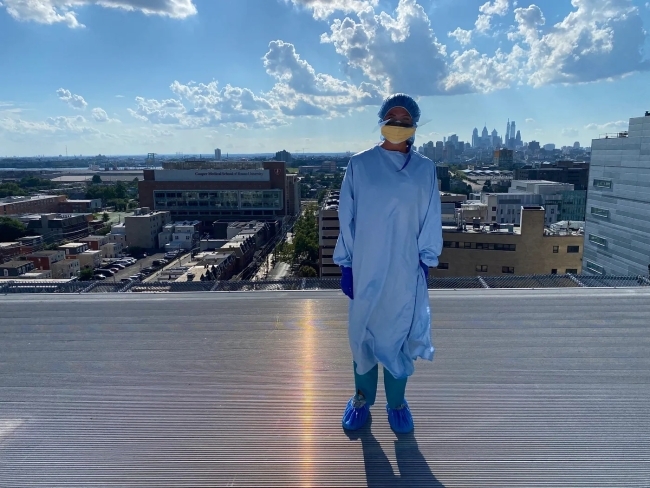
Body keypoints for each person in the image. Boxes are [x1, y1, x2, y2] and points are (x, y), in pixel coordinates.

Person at [333, 93, 443, 434]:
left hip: (404, 271)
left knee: (397, 335)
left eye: (405, 121)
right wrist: (347, 264)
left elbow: (431, 217)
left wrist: (425, 260)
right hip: (366, 265)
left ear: (414, 126)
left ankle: (397, 404)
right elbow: (346, 216)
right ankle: (361, 399)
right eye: (392, 120)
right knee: (362, 336)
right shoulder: (359, 164)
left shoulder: (425, 170)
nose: (397, 126)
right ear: (381, 121)